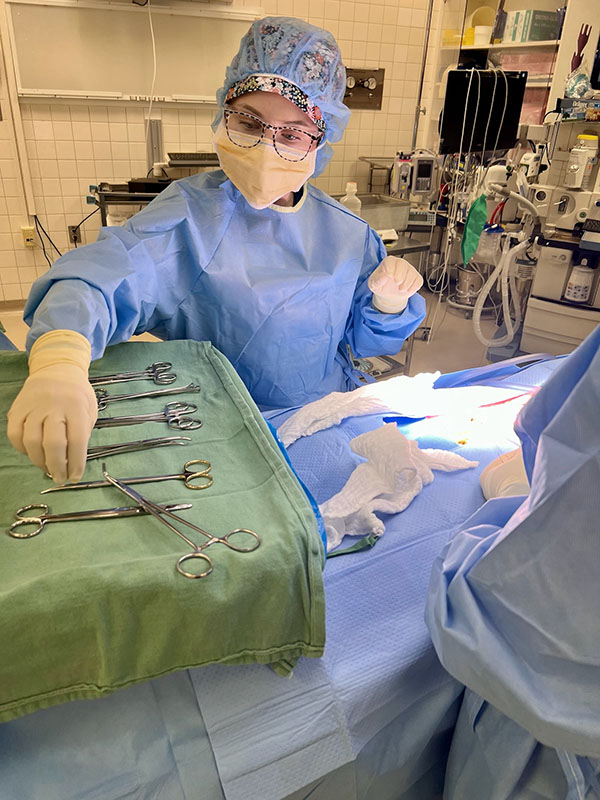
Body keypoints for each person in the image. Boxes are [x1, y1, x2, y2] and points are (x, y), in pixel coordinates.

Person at [7, 17, 425, 485]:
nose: (267, 148)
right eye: (249, 122)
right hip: (216, 436)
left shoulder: (347, 232)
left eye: (291, 134)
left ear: (320, 139)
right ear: (224, 113)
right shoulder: (190, 218)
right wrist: (60, 357)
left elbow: (364, 343)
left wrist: (389, 303)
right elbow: (102, 275)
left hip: (322, 424)